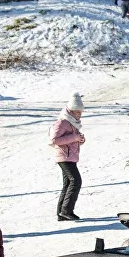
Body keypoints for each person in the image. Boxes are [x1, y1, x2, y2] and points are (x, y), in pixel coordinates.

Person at [50, 93, 86, 221]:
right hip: (64, 157)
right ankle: (66, 211)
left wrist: (80, 140)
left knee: (68, 183)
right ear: (70, 111)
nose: (79, 115)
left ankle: (61, 213)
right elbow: (53, 140)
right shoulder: (63, 122)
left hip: (70, 157)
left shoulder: (73, 123)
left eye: (81, 112)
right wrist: (74, 138)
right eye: (77, 112)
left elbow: (71, 139)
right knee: (76, 181)